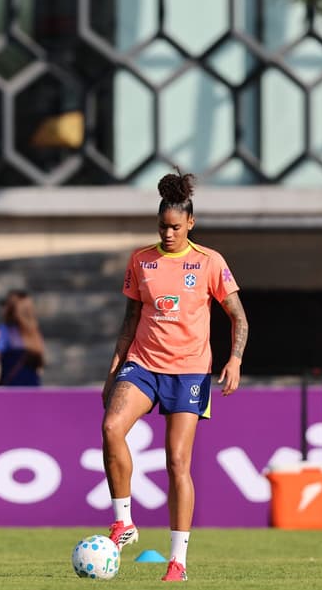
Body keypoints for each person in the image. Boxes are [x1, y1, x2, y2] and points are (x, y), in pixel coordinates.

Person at [100, 169, 248, 582]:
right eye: (162, 226)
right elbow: (130, 319)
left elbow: (238, 317)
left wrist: (234, 360)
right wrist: (113, 372)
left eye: (175, 227)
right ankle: (124, 523)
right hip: (143, 364)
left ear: (191, 224)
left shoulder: (208, 262)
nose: (168, 234)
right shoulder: (141, 259)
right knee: (112, 427)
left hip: (190, 373)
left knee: (177, 463)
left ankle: (177, 561)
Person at [0, 289, 45, 386]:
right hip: (33, 389)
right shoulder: (34, 334)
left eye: (4, 305)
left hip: (11, 390)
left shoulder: (2, 331)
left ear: (10, 309)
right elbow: (40, 368)